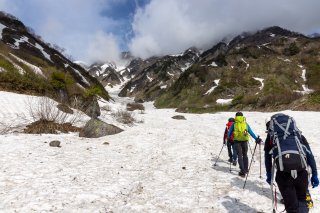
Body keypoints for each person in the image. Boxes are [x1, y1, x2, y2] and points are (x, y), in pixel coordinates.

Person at [264, 114, 319, 213]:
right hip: (301, 172)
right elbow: (309, 155)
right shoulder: (298, 135)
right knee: (302, 200)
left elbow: (267, 157)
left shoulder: (271, 138)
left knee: (291, 206)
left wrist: (269, 174)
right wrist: (314, 174)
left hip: (284, 174)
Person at [228, 112, 261, 177]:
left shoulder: (234, 124)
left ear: (236, 116)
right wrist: (256, 138)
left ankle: (242, 171)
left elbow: (229, 133)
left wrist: (229, 139)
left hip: (237, 141)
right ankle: (246, 169)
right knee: (245, 155)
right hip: (245, 141)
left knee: (239, 156)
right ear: (242, 116)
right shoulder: (245, 124)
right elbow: (251, 132)